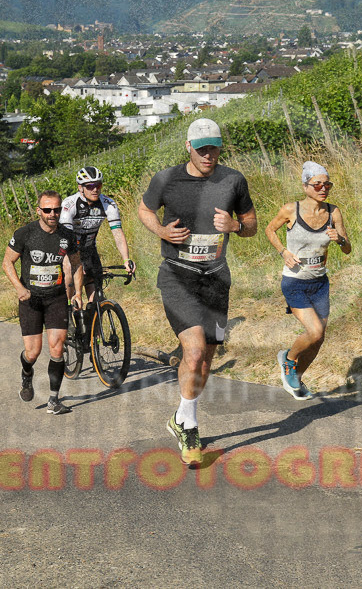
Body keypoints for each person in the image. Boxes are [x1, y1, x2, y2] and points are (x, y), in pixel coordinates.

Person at [137, 118, 257, 466]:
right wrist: (160, 229)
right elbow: (144, 209)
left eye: (214, 147)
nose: (208, 153)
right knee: (194, 350)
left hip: (216, 280)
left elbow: (250, 224)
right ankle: (190, 428)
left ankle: (180, 416)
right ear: (188, 147)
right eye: (201, 147)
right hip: (178, 275)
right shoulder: (166, 179)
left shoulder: (233, 180)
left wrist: (236, 226)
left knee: (205, 360)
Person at [265, 162, 352, 400]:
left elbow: (347, 249)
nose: (323, 188)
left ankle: (297, 379)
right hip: (294, 282)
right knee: (314, 331)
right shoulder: (290, 210)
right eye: (317, 184)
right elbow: (269, 230)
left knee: (319, 337)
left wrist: (340, 240)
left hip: (319, 283)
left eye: (327, 184)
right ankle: (289, 360)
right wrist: (283, 251)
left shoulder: (333, 213)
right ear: (306, 186)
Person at [2, 191, 84, 415]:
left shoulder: (67, 236)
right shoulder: (25, 233)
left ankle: (54, 400)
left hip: (57, 297)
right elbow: (7, 262)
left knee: (57, 348)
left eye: (56, 209)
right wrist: (19, 288)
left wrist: (77, 292)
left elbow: (76, 264)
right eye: (47, 210)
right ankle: (26, 374)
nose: (52, 214)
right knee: (33, 352)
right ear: (38, 210)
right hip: (31, 299)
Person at [60, 166, 136, 343]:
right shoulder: (69, 204)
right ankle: (68, 310)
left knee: (96, 297)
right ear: (80, 187)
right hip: (69, 249)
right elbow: (67, 239)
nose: (95, 189)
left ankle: (91, 337)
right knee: (69, 271)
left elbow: (117, 233)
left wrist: (126, 259)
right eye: (90, 185)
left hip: (90, 250)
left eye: (98, 185)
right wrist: (78, 265)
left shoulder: (108, 204)